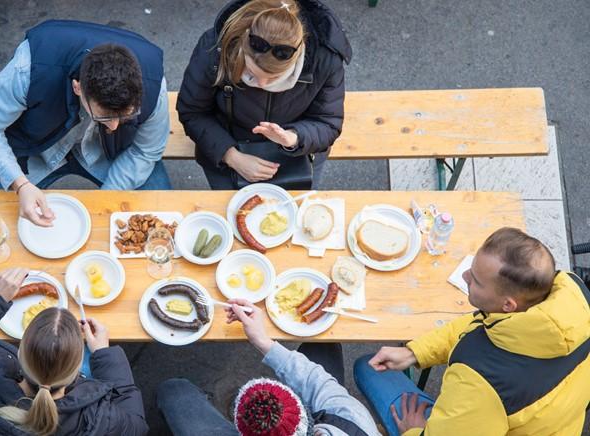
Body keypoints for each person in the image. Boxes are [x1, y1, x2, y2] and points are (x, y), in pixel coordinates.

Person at [354, 227, 590, 436]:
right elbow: (483, 323)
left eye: (476, 280)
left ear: (508, 304)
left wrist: (414, 430)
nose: (465, 276)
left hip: (479, 411)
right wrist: (415, 353)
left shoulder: (481, 382)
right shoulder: (574, 301)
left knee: (367, 368)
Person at [0, 20, 171, 227]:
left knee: (164, 216)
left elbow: (146, 150)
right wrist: (20, 185)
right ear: (77, 88)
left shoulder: (153, 84)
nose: (114, 127)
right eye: (104, 118)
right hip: (33, 151)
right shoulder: (29, 67)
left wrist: (107, 197)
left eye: (126, 116)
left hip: (109, 152)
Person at [0, 268, 148, 435]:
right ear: (78, 368)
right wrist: (104, 355)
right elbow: (136, 426)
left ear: (19, 352)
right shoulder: (102, 421)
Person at [177, 0, 351, 190]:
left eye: (275, 78)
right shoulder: (214, 49)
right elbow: (192, 112)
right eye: (251, 74)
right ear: (243, 44)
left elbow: (328, 122)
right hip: (227, 150)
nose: (261, 85)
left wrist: (293, 137)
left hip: (296, 158)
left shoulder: (325, 58)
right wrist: (231, 157)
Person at [157, 298, 380, 436]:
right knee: (324, 349)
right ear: (301, 410)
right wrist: (263, 341)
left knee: (173, 391)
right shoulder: (355, 422)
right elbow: (315, 379)